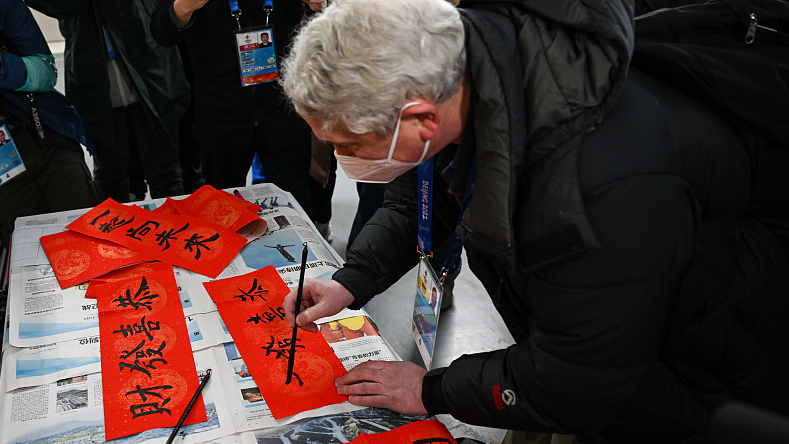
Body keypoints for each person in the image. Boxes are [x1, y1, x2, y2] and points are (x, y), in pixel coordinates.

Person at [280, 0, 789, 442]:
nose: (341, 159)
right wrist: (351, 281)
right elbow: (425, 200)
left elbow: (580, 378)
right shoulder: (473, 63)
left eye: (350, 145)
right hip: (596, 335)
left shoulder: (590, 185)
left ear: (421, 119)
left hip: (699, 367)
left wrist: (431, 390)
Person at [149, 0, 314, 217]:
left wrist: (318, 7)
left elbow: (326, 25)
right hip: (220, 113)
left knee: (293, 207)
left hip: (283, 110)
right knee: (223, 213)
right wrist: (181, 9)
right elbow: (161, 32)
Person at [26, 0, 189, 204]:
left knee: (165, 172)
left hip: (148, 62)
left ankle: (175, 222)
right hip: (93, 76)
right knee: (110, 178)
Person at [0, 0, 102, 247]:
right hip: (5, 174)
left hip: (46, 134)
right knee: (29, 256)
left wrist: (4, 66)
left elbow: (46, 71)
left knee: (91, 240)